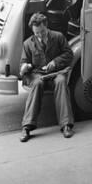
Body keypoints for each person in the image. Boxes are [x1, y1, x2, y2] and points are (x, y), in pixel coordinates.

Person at [19, 12, 74, 142]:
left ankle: (66, 125)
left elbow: (68, 54)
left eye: (42, 32)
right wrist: (25, 67)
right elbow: (23, 63)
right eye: (36, 33)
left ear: (46, 27)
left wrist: (55, 62)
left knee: (61, 81)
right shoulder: (27, 44)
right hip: (37, 75)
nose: (40, 36)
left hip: (55, 73)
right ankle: (27, 127)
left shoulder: (58, 37)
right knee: (37, 84)